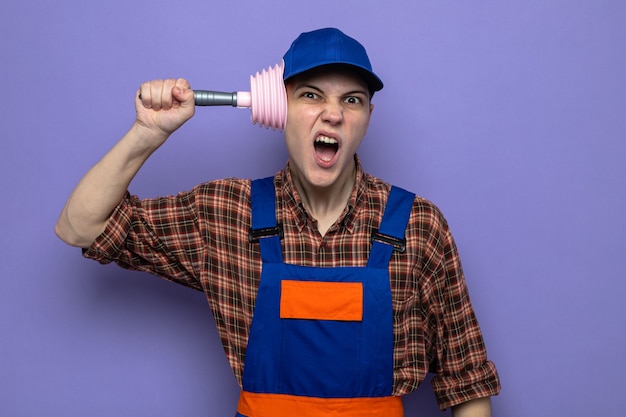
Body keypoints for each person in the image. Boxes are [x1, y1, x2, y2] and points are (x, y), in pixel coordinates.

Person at [56, 27, 500, 416]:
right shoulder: (228, 213)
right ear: (278, 107)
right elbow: (81, 227)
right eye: (311, 95)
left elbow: (468, 382)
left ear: (366, 118)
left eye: (352, 100)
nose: (333, 113)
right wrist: (146, 134)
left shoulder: (417, 226)